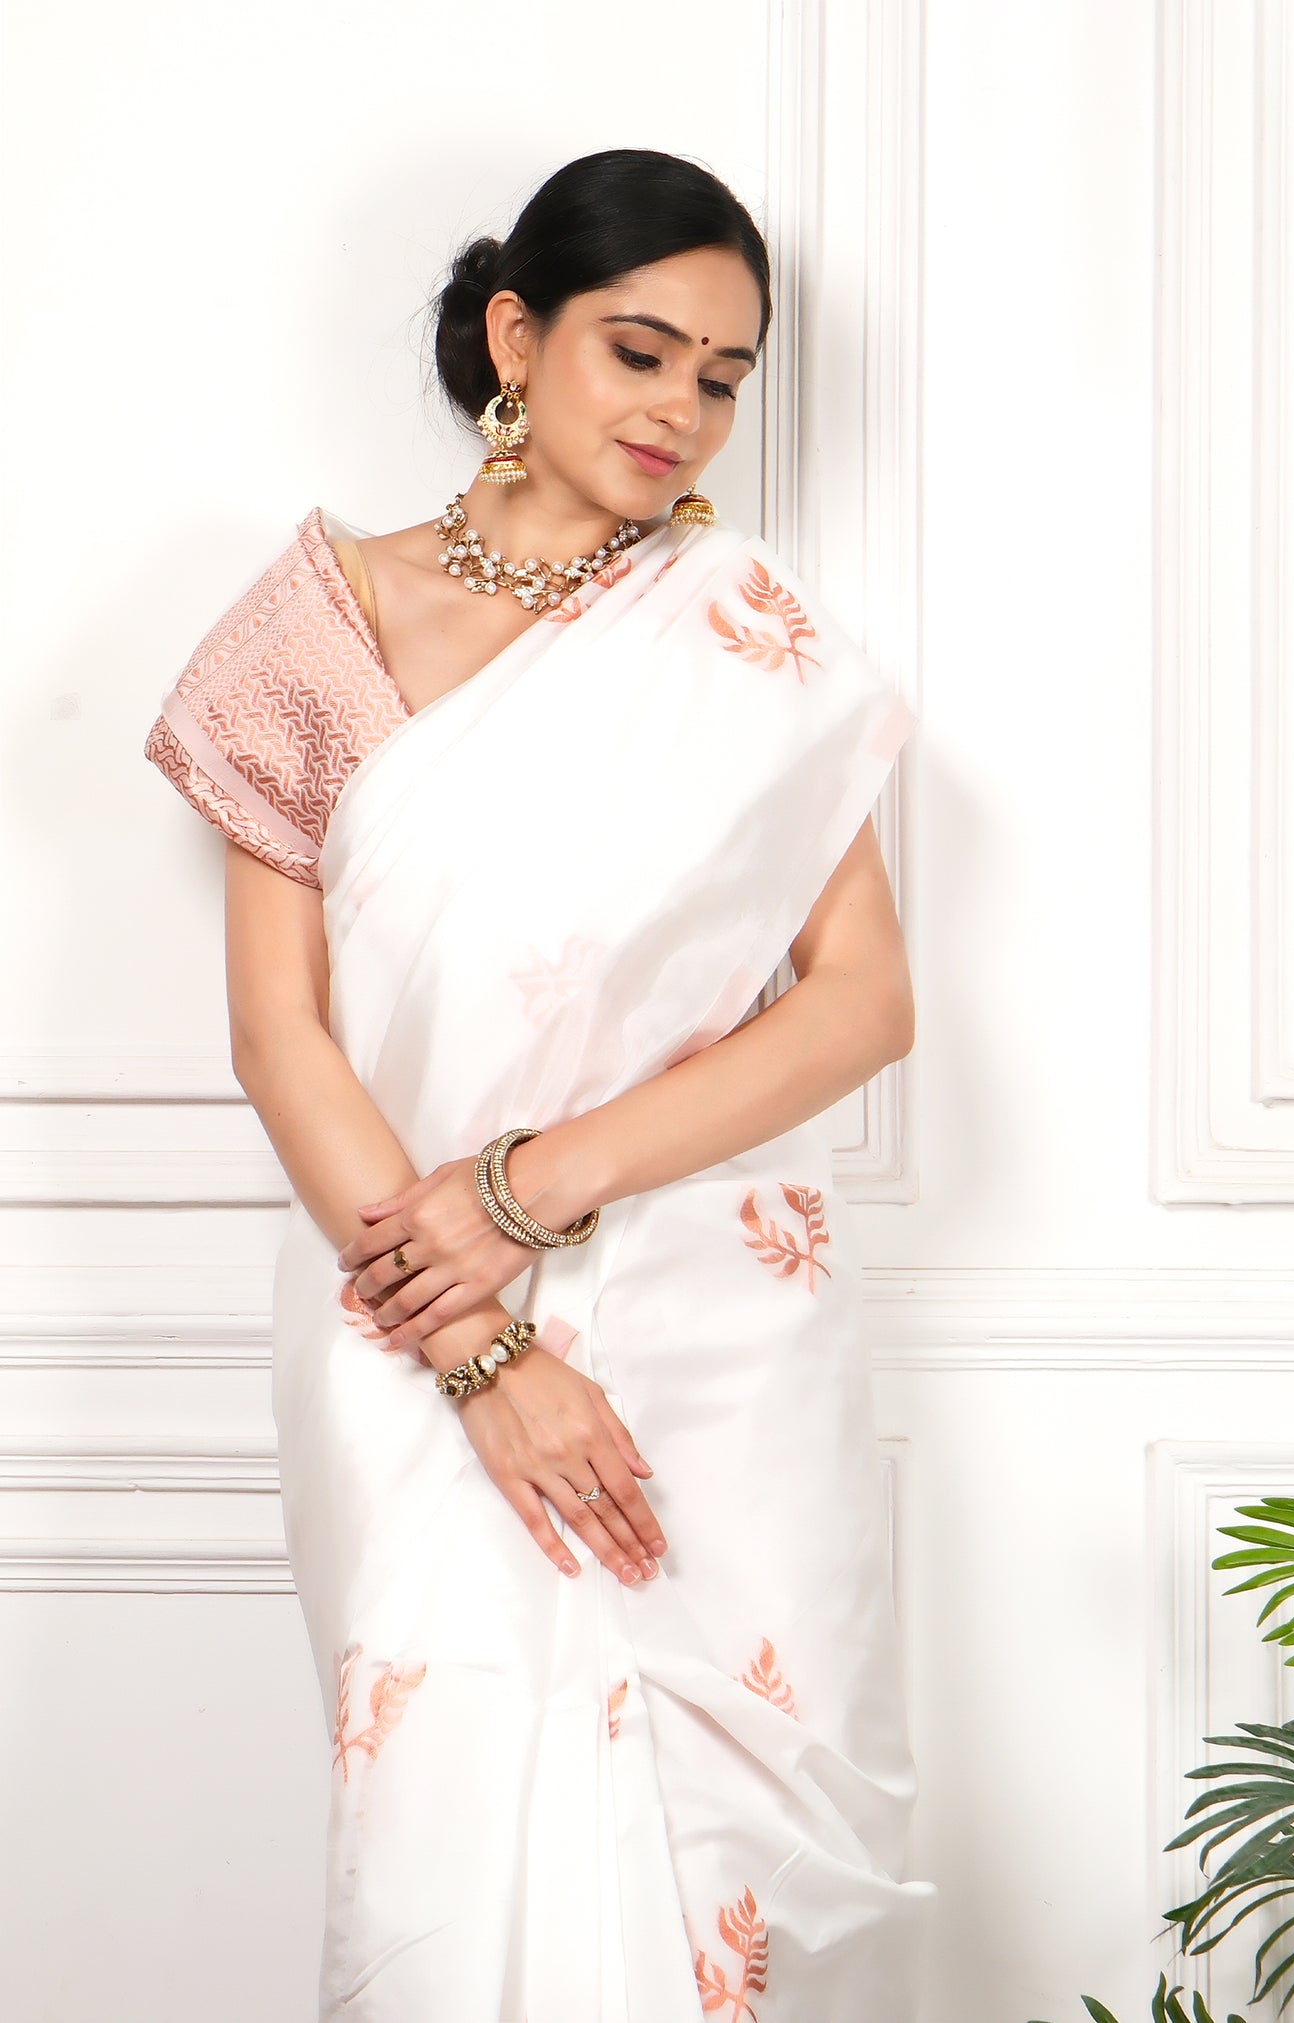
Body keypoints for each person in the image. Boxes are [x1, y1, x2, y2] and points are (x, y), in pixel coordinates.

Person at [142, 146, 936, 2023]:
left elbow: (859, 1007)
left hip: (701, 1319)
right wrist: (486, 1351)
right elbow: (282, 1039)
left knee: (686, 1882)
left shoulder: (748, 646)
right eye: (638, 352)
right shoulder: (313, 630)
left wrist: (521, 1194)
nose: (679, 411)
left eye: (722, 379)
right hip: (397, 1321)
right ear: (516, 335)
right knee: (443, 1820)